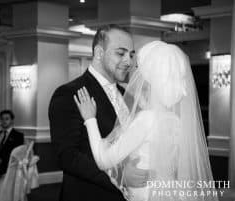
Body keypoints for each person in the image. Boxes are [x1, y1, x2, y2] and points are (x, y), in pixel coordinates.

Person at [74, 41, 218, 201]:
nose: (184, 90)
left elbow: (104, 160)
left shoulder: (147, 119)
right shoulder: (175, 121)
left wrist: (90, 119)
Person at [49, 24, 149, 201]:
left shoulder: (130, 98)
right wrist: (119, 177)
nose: (129, 61)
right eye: (121, 53)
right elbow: (68, 157)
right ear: (99, 53)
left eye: (131, 54)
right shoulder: (68, 93)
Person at [0, 110, 24, 175]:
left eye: (7, 119)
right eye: (2, 119)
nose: (4, 121)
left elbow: (17, 154)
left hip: (10, 168)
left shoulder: (18, 136)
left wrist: (2, 161)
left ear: (12, 121)